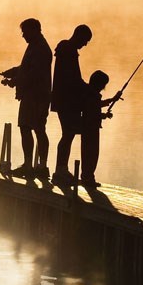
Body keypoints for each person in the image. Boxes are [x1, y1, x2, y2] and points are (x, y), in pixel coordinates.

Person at [1, 18, 52, 180]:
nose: (23, 35)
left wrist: (15, 81)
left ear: (34, 30)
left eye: (25, 31)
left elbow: (34, 74)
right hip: (35, 96)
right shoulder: (36, 46)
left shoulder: (41, 48)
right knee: (32, 128)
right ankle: (34, 165)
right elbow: (27, 69)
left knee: (32, 128)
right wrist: (13, 71)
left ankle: (34, 166)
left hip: (36, 97)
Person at [49, 24, 92, 188]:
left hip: (63, 100)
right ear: (78, 35)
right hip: (67, 101)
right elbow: (73, 79)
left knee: (68, 134)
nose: (85, 44)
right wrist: (88, 89)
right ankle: (60, 171)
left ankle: (61, 169)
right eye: (85, 40)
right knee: (68, 135)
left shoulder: (65, 49)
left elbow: (73, 78)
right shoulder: (69, 51)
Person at [79, 70, 120, 188]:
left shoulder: (90, 94)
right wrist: (104, 115)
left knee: (89, 153)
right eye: (103, 85)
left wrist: (112, 100)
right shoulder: (92, 95)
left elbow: (96, 106)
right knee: (91, 153)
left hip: (89, 127)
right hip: (90, 128)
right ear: (99, 84)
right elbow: (93, 112)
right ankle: (88, 177)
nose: (103, 88)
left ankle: (87, 177)